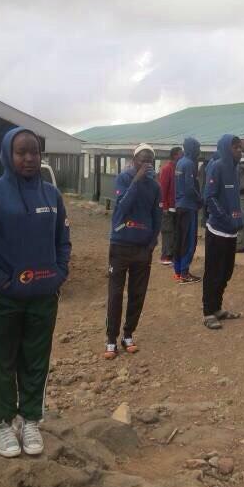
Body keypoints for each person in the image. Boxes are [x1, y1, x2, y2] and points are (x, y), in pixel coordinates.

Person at [0, 127, 71, 458]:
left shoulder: (52, 195)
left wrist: (59, 273)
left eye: (34, 152)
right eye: (21, 152)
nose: (28, 158)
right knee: (1, 361)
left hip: (43, 296)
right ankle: (3, 422)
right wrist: (1, 281)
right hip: (3, 298)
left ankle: (30, 420)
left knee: (35, 361)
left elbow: (62, 241)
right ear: (7, 155)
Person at [103, 144, 161, 359]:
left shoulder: (155, 187)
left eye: (149, 161)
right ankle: (111, 339)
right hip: (120, 245)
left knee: (138, 293)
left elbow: (157, 216)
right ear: (133, 159)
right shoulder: (124, 179)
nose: (145, 164)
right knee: (115, 294)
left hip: (142, 249)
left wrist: (152, 242)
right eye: (141, 160)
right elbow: (122, 208)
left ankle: (128, 334)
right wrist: (136, 180)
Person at [202, 134, 244, 330]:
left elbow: (234, 199)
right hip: (218, 231)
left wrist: (240, 219)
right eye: (236, 148)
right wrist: (226, 219)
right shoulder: (217, 167)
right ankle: (208, 312)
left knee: (226, 273)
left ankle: (218, 308)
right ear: (227, 149)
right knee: (214, 273)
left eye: (241, 148)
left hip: (232, 232)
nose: (240, 151)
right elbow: (210, 198)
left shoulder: (235, 170)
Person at [173, 137, 203, 283]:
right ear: (191, 148)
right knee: (189, 241)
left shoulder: (180, 162)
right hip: (188, 206)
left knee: (180, 239)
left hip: (179, 205)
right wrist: (200, 200)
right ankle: (185, 273)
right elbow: (190, 188)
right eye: (197, 148)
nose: (199, 151)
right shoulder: (190, 164)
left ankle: (178, 271)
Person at [157, 146, 182, 265]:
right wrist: (164, 207)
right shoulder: (167, 169)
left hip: (175, 206)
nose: (182, 156)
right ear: (174, 155)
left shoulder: (177, 168)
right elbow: (163, 188)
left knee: (174, 231)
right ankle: (165, 256)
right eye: (180, 154)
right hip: (168, 208)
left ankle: (171, 254)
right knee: (167, 231)